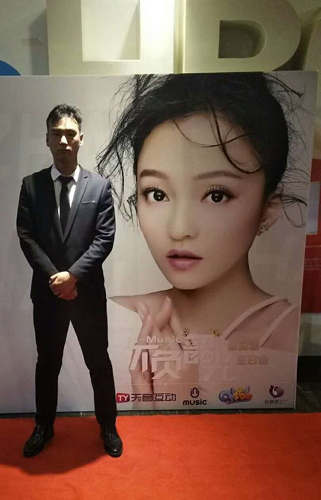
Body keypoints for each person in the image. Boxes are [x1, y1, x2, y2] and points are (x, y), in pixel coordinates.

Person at [96, 73, 308, 409]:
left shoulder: (282, 332)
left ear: (268, 208)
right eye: (157, 194)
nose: (179, 228)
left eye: (216, 195)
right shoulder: (111, 315)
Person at [17, 104, 122, 456]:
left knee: (98, 361)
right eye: (56, 134)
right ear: (47, 139)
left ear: (81, 139)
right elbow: (26, 236)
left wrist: (73, 276)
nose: (63, 141)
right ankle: (43, 426)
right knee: (47, 363)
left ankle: (108, 426)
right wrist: (56, 278)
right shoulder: (31, 186)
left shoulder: (100, 187)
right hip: (48, 293)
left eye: (70, 134)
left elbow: (104, 239)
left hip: (87, 294)